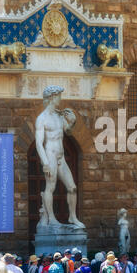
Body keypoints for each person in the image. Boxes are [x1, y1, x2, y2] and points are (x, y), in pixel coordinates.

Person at [35, 85, 84, 228]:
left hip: (60, 157)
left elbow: (67, 131)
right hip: (50, 155)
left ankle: (72, 217)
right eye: (58, 96)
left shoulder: (59, 115)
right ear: (51, 98)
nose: (60, 99)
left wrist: (73, 122)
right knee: (50, 187)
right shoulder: (42, 118)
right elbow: (38, 143)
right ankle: (51, 219)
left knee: (72, 187)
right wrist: (45, 163)